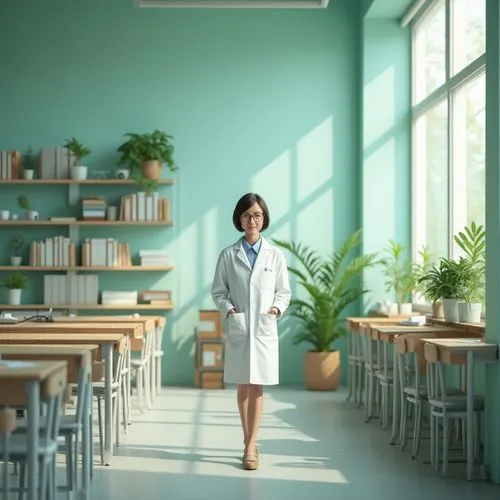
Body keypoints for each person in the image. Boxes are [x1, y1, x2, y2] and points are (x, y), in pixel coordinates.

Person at [211, 193, 292, 471]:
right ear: (239, 219)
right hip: (241, 325)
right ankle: (250, 443)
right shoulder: (228, 255)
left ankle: (249, 446)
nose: (252, 220)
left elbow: (284, 292)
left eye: (257, 214)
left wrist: (275, 311)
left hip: (263, 326)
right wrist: (230, 311)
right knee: (242, 384)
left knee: (257, 384)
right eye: (246, 215)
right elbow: (219, 292)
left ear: (264, 218)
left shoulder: (275, 255)